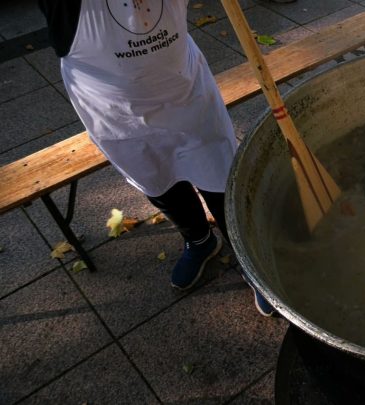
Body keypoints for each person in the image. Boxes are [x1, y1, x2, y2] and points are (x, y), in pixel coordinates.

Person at [38, 0, 276, 316]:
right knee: (160, 184)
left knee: (221, 182)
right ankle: (199, 240)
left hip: (186, 93)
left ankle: (249, 258)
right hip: (119, 115)